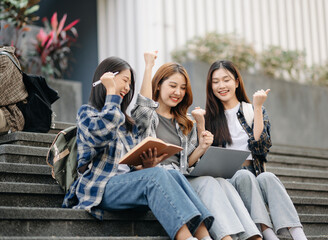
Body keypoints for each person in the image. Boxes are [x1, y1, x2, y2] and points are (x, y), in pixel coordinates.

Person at [62, 56, 214, 240]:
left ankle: (204, 236)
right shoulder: (88, 113)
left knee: (172, 173)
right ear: (106, 78)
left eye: (129, 84)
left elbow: (133, 167)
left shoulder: (128, 124)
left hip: (128, 185)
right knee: (158, 175)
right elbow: (104, 131)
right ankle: (186, 238)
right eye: (124, 81)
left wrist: (148, 165)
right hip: (101, 187)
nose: (127, 88)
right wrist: (111, 91)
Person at [131, 52, 262, 240]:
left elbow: (187, 163)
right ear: (158, 85)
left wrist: (201, 147)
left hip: (182, 177)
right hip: (162, 178)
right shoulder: (148, 117)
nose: (178, 92)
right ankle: (226, 238)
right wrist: (149, 66)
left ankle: (251, 236)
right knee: (208, 182)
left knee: (219, 182)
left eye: (183, 88)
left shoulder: (185, 122)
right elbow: (143, 105)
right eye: (173, 86)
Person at [203, 60, 307, 240]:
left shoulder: (252, 110)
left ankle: (298, 234)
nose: (221, 85)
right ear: (210, 86)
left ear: (236, 82)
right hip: (230, 178)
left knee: (268, 177)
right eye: (216, 81)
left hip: (254, 171)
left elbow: (261, 149)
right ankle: (267, 232)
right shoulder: (208, 117)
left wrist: (258, 107)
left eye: (226, 80)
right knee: (244, 176)